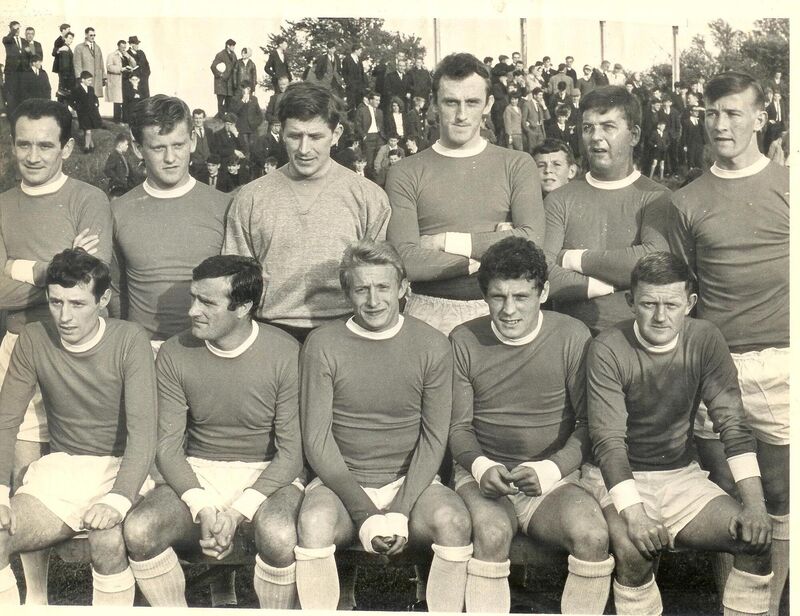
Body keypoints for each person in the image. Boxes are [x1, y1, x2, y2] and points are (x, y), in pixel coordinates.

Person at [584, 251, 773, 616]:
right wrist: (636, 515)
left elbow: (732, 424)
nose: (660, 316)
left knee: (754, 541)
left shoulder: (706, 339)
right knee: (635, 552)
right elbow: (608, 443)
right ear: (630, 302)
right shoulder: (607, 347)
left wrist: (756, 506)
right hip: (616, 480)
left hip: (679, 476)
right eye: (648, 304)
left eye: (671, 304)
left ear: (690, 303)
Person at [295, 240, 473, 611]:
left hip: (412, 484)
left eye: (383, 287)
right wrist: (365, 514)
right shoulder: (322, 343)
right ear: (347, 292)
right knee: (313, 523)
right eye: (361, 289)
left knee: (454, 522)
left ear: (404, 288)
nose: (373, 300)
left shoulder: (433, 344)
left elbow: (434, 436)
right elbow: (316, 440)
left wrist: (400, 509)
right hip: (343, 482)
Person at [668, 71, 789, 615]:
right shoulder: (686, 199)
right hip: (718, 368)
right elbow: (682, 287)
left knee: (783, 497)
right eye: (712, 113)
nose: (721, 124)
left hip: (784, 363)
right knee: (733, 499)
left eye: (734, 113)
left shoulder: (789, 186)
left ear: (760, 118)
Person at [123, 255, 304, 608]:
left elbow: (292, 453)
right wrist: (203, 505)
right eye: (194, 297)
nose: (192, 310)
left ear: (244, 307)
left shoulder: (286, 351)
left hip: (267, 474)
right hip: (201, 470)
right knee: (139, 530)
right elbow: (168, 447)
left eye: (206, 301)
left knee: (280, 535)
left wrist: (238, 512)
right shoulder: (175, 352)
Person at [449, 237, 613, 613]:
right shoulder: (463, 338)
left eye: (521, 297)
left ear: (544, 292)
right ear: (484, 296)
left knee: (592, 535)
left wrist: (551, 468)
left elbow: (590, 424)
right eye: (497, 297)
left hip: (553, 479)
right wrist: (480, 466)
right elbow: (457, 428)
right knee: (491, 533)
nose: (508, 310)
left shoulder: (572, 335)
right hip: (484, 475)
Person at [0, 98, 111, 605]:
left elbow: (88, 276)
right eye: (23, 143)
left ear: (67, 146)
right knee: (23, 473)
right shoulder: (2, 204)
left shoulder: (88, 199)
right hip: (20, 342)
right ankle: (36, 597)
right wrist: (55, 267)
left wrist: (22, 268)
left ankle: (106, 575)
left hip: (80, 348)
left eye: (46, 145)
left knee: (75, 462)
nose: (33, 155)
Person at [0, 248, 157, 607]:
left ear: (104, 299)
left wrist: (118, 499)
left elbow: (143, 432)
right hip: (66, 467)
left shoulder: (130, 339)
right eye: (56, 302)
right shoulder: (33, 338)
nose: (64, 316)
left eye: (77, 303)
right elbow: (6, 420)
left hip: (124, 468)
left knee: (105, 539)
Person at [386, 52, 544, 336]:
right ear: (434, 104)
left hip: (501, 313)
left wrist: (442, 242)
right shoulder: (405, 171)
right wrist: (497, 248)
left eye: (472, 103)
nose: (461, 115)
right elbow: (407, 259)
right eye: (451, 102)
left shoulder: (517, 164)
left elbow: (533, 240)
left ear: (488, 104)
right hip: (428, 313)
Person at [223, 81, 390, 343]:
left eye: (315, 137)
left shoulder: (369, 197)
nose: (303, 149)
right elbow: (234, 281)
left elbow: (379, 279)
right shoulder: (251, 197)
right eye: (294, 136)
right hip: (271, 334)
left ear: (336, 135)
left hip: (347, 331)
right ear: (281, 134)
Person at [542, 86, 671, 336]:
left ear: (633, 135)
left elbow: (653, 264)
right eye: (588, 128)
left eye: (608, 127)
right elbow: (542, 273)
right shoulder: (559, 199)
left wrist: (570, 258)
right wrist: (605, 285)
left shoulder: (657, 197)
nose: (596, 137)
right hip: (572, 339)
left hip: (637, 339)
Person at [110, 95, 231, 346]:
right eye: (158, 147)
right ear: (137, 148)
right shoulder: (117, 210)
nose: (170, 158)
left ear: (193, 141)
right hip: (144, 350)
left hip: (208, 347)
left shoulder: (225, 207)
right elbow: (114, 291)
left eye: (178, 145)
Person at [70, 71, 102, 153]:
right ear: (82, 80)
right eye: (88, 80)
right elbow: (71, 100)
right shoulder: (76, 90)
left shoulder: (91, 89)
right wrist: (77, 108)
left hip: (92, 112)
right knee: (87, 130)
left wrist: (96, 103)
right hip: (83, 113)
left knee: (87, 130)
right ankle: (86, 147)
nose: (90, 82)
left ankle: (91, 146)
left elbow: (94, 98)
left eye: (91, 80)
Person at [106, 40, 137, 123]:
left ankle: (126, 119)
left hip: (126, 80)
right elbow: (109, 67)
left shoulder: (126, 55)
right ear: (118, 46)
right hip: (117, 80)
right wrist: (121, 69)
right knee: (117, 101)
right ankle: (117, 120)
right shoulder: (112, 55)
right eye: (122, 47)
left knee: (126, 100)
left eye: (125, 47)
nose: (124, 49)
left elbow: (134, 64)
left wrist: (128, 56)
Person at [354, 91, 385, 169]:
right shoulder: (362, 110)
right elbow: (357, 125)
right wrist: (363, 135)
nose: (378, 102)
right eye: (376, 100)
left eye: (379, 100)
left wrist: (383, 136)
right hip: (368, 137)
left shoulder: (380, 112)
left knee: (379, 160)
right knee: (369, 161)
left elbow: (382, 126)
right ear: (371, 100)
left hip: (379, 137)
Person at [73, 28, 105, 94]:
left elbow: (101, 63)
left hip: (96, 80)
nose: (93, 37)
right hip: (85, 79)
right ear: (86, 35)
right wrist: (79, 78)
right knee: (85, 98)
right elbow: (77, 64)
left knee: (95, 98)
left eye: (94, 35)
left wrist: (103, 77)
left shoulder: (97, 48)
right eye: (91, 35)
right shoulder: (79, 48)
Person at [211, 39, 237, 117]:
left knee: (229, 101)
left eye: (234, 46)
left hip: (229, 83)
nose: (233, 47)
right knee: (220, 101)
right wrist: (220, 75)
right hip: (221, 83)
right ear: (228, 46)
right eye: (232, 46)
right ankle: (220, 117)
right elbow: (213, 67)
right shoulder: (220, 54)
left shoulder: (234, 55)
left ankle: (227, 118)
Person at [2, 22, 24, 113]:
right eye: (15, 29)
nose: (17, 30)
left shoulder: (23, 40)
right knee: (11, 93)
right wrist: (13, 31)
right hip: (11, 72)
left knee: (21, 92)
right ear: (11, 29)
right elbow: (7, 40)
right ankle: (11, 114)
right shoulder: (7, 40)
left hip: (22, 71)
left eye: (19, 28)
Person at [104, 133, 132, 197]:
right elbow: (107, 169)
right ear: (120, 145)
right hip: (117, 187)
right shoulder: (114, 155)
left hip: (124, 185)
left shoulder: (122, 156)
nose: (127, 146)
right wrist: (117, 180)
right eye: (126, 144)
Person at [188, 108, 212, 179]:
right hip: (195, 165)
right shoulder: (189, 132)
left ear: (204, 119)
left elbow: (213, 147)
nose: (198, 120)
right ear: (193, 119)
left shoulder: (209, 131)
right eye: (196, 118)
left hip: (208, 165)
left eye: (200, 118)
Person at [53, 31, 75, 104]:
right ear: (65, 38)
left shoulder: (66, 48)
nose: (71, 40)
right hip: (66, 77)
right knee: (64, 96)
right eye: (69, 38)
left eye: (72, 38)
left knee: (63, 96)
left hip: (65, 76)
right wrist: (66, 78)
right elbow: (65, 64)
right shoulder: (65, 48)